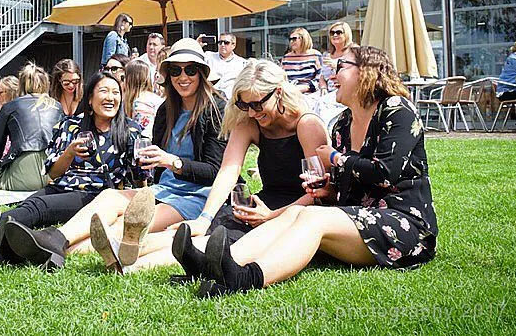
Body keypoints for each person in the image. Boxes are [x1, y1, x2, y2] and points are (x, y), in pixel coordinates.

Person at [173, 46, 438, 296]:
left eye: (341, 66)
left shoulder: (397, 110)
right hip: (355, 219)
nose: (332, 74)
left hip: (403, 226)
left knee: (313, 217)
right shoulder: (343, 124)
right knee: (297, 213)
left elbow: (385, 172)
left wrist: (335, 157)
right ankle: (209, 266)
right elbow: (346, 186)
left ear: (366, 71)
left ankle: (245, 278)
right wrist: (328, 187)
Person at [35, 37, 226, 273]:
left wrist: (172, 162)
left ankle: (51, 250)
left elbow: (215, 171)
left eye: (191, 70)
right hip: (162, 189)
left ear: (202, 73)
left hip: (195, 195)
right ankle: (56, 238)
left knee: (121, 226)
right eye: (176, 70)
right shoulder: (166, 110)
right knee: (109, 197)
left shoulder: (215, 109)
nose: (182, 77)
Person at [127, 59, 329, 273]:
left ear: (278, 92)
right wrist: (204, 219)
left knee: (221, 241)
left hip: (300, 209)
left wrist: (271, 216)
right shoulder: (250, 122)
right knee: (210, 228)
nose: (251, 113)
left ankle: (133, 267)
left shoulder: (306, 125)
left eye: (257, 104)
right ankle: (128, 250)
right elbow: (228, 171)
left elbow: (320, 192)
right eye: (244, 106)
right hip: (264, 202)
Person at [0, 72, 141, 261]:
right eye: (104, 91)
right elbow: (53, 173)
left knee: (38, 208)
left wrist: (143, 165)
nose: (111, 97)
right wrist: (69, 153)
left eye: (116, 92)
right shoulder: (72, 125)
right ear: (90, 98)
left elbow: (139, 177)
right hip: (61, 186)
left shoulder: (130, 130)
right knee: (27, 206)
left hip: (93, 194)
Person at [0, 63, 63, 191]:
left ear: (21, 85)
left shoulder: (10, 107)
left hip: (22, 177)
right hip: (53, 174)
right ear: (46, 84)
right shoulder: (57, 107)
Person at [315, 21, 358, 128]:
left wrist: (337, 66)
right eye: (332, 33)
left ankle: (327, 131)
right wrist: (323, 87)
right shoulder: (327, 54)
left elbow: (356, 72)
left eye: (338, 32)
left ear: (346, 34)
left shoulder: (354, 51)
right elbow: (322, 76)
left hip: (345, 90)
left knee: (322, 104)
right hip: (327, 90)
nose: (334, 35)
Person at [198, 33, 247, 100]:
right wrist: (197, 45)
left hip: (231, 100)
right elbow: (193, 59)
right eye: (220, 42)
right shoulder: (208, 56)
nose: (222, 45)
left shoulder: (242, 63)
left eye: (226, 43)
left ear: (233, 45)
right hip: (210, 98)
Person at [123, 59, 164, 137]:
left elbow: (143, 133)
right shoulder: (154, 98)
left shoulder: (141, 103)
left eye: (124, 77)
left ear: (130, 79)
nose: (123, 81)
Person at [281, 27, 321, 94]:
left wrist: (307, 87)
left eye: (294, 39)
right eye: (290, 39)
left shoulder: (315, 55)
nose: (291, 42)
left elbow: (321, 78)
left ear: (304, 39)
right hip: (290, 93)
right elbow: (282, 78)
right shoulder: (286, 57)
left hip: (310, 93)